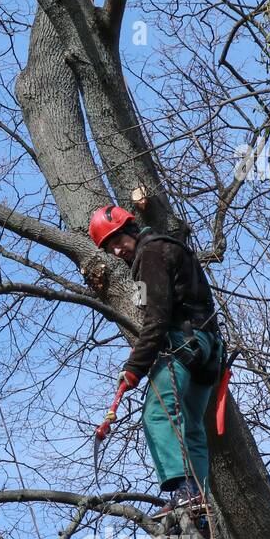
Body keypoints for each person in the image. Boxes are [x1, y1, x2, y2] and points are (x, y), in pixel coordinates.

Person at [88, 204, 224, 515]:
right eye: (110, 248)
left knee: (157, 415)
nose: (117, 251)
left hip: (184, 345)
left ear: (130, 228)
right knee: (190, 427)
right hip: (209, 352)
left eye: (118, 241)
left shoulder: (151, 254)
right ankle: (198, 502)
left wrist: (134, 367)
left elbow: (157, 320)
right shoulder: (165, 250)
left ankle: (185, 491)